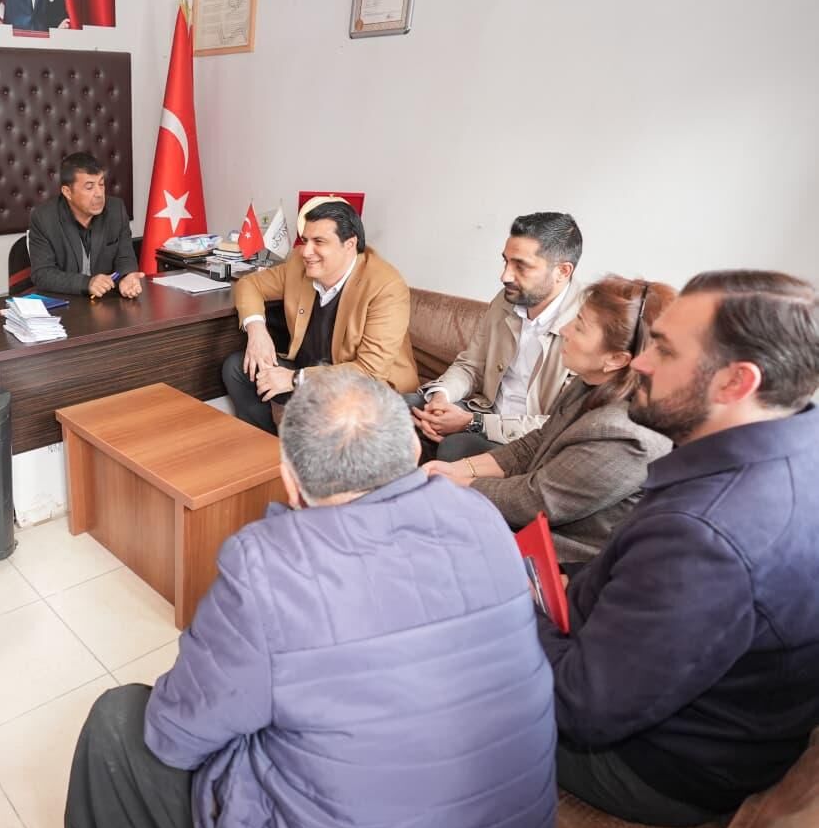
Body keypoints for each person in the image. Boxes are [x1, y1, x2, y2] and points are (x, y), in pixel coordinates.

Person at [54, 369, 557, 828]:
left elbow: (175, 734)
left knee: (118, 722)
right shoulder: (482, 518)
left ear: (289, 482)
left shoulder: (268, 566)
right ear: (415, 449)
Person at [541, 270, 819, 828]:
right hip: (660, 693)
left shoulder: (705, 535)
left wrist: (515, 608)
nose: (641, 362)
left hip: (650, 765)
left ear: (735, 382)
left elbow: (577, 707)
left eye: (664, 350)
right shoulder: (793, 440)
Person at [426, 276, 674, 563]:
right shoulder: (588, 383)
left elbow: (537, 500)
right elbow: (536, 442)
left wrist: (458, 484)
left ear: (616, 359)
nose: (565, 330)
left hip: (564, 558)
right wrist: (458, 470)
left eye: (579, 327)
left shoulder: (627, 436)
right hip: (532, 513)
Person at [222, 196, 418, 434]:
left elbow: (369, 372)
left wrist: (294, 379)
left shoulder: (385, 286)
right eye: (305, 240)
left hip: (365, 390)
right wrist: (257, 332)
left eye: (319, 242)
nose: (306, 251)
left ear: (349, 244)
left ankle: (298, 449)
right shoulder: (299, 263)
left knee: (332, 410)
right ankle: (269, 444)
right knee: (237, 368)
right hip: (311, 371)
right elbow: (249, 284)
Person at [409, 211, 585, 461]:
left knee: (456, 447)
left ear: (562, 271)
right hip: (484, 411)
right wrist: (441, 397)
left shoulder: (589, 326)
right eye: (506, 262)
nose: (505, 276)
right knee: (402, 410)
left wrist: (473, 422)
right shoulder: (505, 301)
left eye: (521, 266)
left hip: (527, 439)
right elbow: (471, 365)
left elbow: (561, 423)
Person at [28, 151, 142, 298]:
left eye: (101, 184)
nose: (99, 194)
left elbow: (125, 257)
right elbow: (42, 274)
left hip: (106, 302)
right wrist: (86, 283)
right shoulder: (44, 218)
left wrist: (127, 276)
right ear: (67, 192)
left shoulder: (116, 210)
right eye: (89, 187)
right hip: (66, 303)